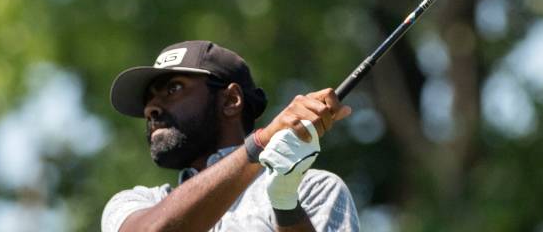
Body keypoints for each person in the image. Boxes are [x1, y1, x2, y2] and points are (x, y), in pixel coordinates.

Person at [102, 40, 360, 231]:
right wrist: (262, 142)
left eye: (173, 89)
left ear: (231, 100)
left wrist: (286, 205)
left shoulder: (313, 190)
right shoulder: (139, 203)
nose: (151, 108)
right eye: (148, 100)